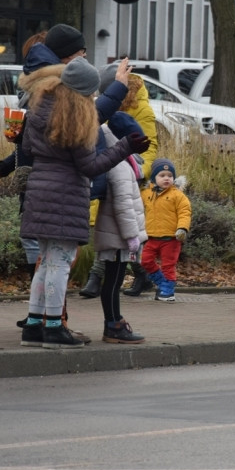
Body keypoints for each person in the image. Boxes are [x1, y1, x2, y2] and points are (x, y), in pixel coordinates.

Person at [18, 58, 149, 349]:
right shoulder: (75, 119)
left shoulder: (41, 107)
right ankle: (53, 327)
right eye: (90, 94)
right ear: (82, 93)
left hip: (39, 192)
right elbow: (91, 166)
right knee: (60, 264)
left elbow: (27, 148)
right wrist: (125, 147)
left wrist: (117, 85)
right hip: (65, 196)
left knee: (45, 262)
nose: (92, 99)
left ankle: (33, 325)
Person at [82, 63, 159, 299]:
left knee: (123, 228)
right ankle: (140, 274)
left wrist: (138, 169)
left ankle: (97, 278)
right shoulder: (103, 109)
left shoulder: (141, 109)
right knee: (112, 229)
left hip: (127, 171)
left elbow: (149, 145)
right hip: (108, 168)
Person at [92, 118, 148, 342]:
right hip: (118, 236)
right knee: (113, 282)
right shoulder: (120, 167)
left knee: (113, 281)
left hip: (116, 234)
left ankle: (114, 321)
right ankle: (113, 324)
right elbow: (124, 205)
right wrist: (131, 236)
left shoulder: (119, 161)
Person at [140, 158, 191, 303]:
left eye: (169, 175)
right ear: (154, 178)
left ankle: (168, 291)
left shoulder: (177, 196)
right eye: (162, 175)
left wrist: (182, 228)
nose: (166, 178)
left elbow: (184, 212)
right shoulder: (147, 193)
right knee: (145, 261)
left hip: (171, 238)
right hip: (152, 236)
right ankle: (163, 283)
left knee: (168, 265)